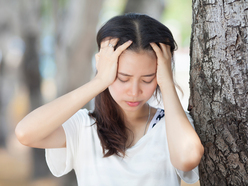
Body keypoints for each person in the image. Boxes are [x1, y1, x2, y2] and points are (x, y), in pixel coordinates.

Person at [15, 13, 204, 186]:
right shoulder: (84, 127)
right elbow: (25, 133)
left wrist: (167, 83)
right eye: (123, 78)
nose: (134, 91)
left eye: (148, 79)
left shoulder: (173, 125)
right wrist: (99, 81)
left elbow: (187, 158)